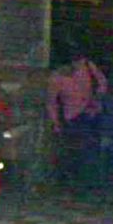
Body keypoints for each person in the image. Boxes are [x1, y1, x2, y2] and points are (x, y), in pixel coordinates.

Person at [46, 48, 108, 185]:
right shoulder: (56, 78)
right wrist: (56, 123)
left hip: (92, 114)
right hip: (72, 118)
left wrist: (96, 98)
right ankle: (74, 181)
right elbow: (52, 102)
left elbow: (102, 82)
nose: (74, 67)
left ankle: (91, 180)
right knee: (74, 151)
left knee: (92, 148)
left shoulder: (87, 66)